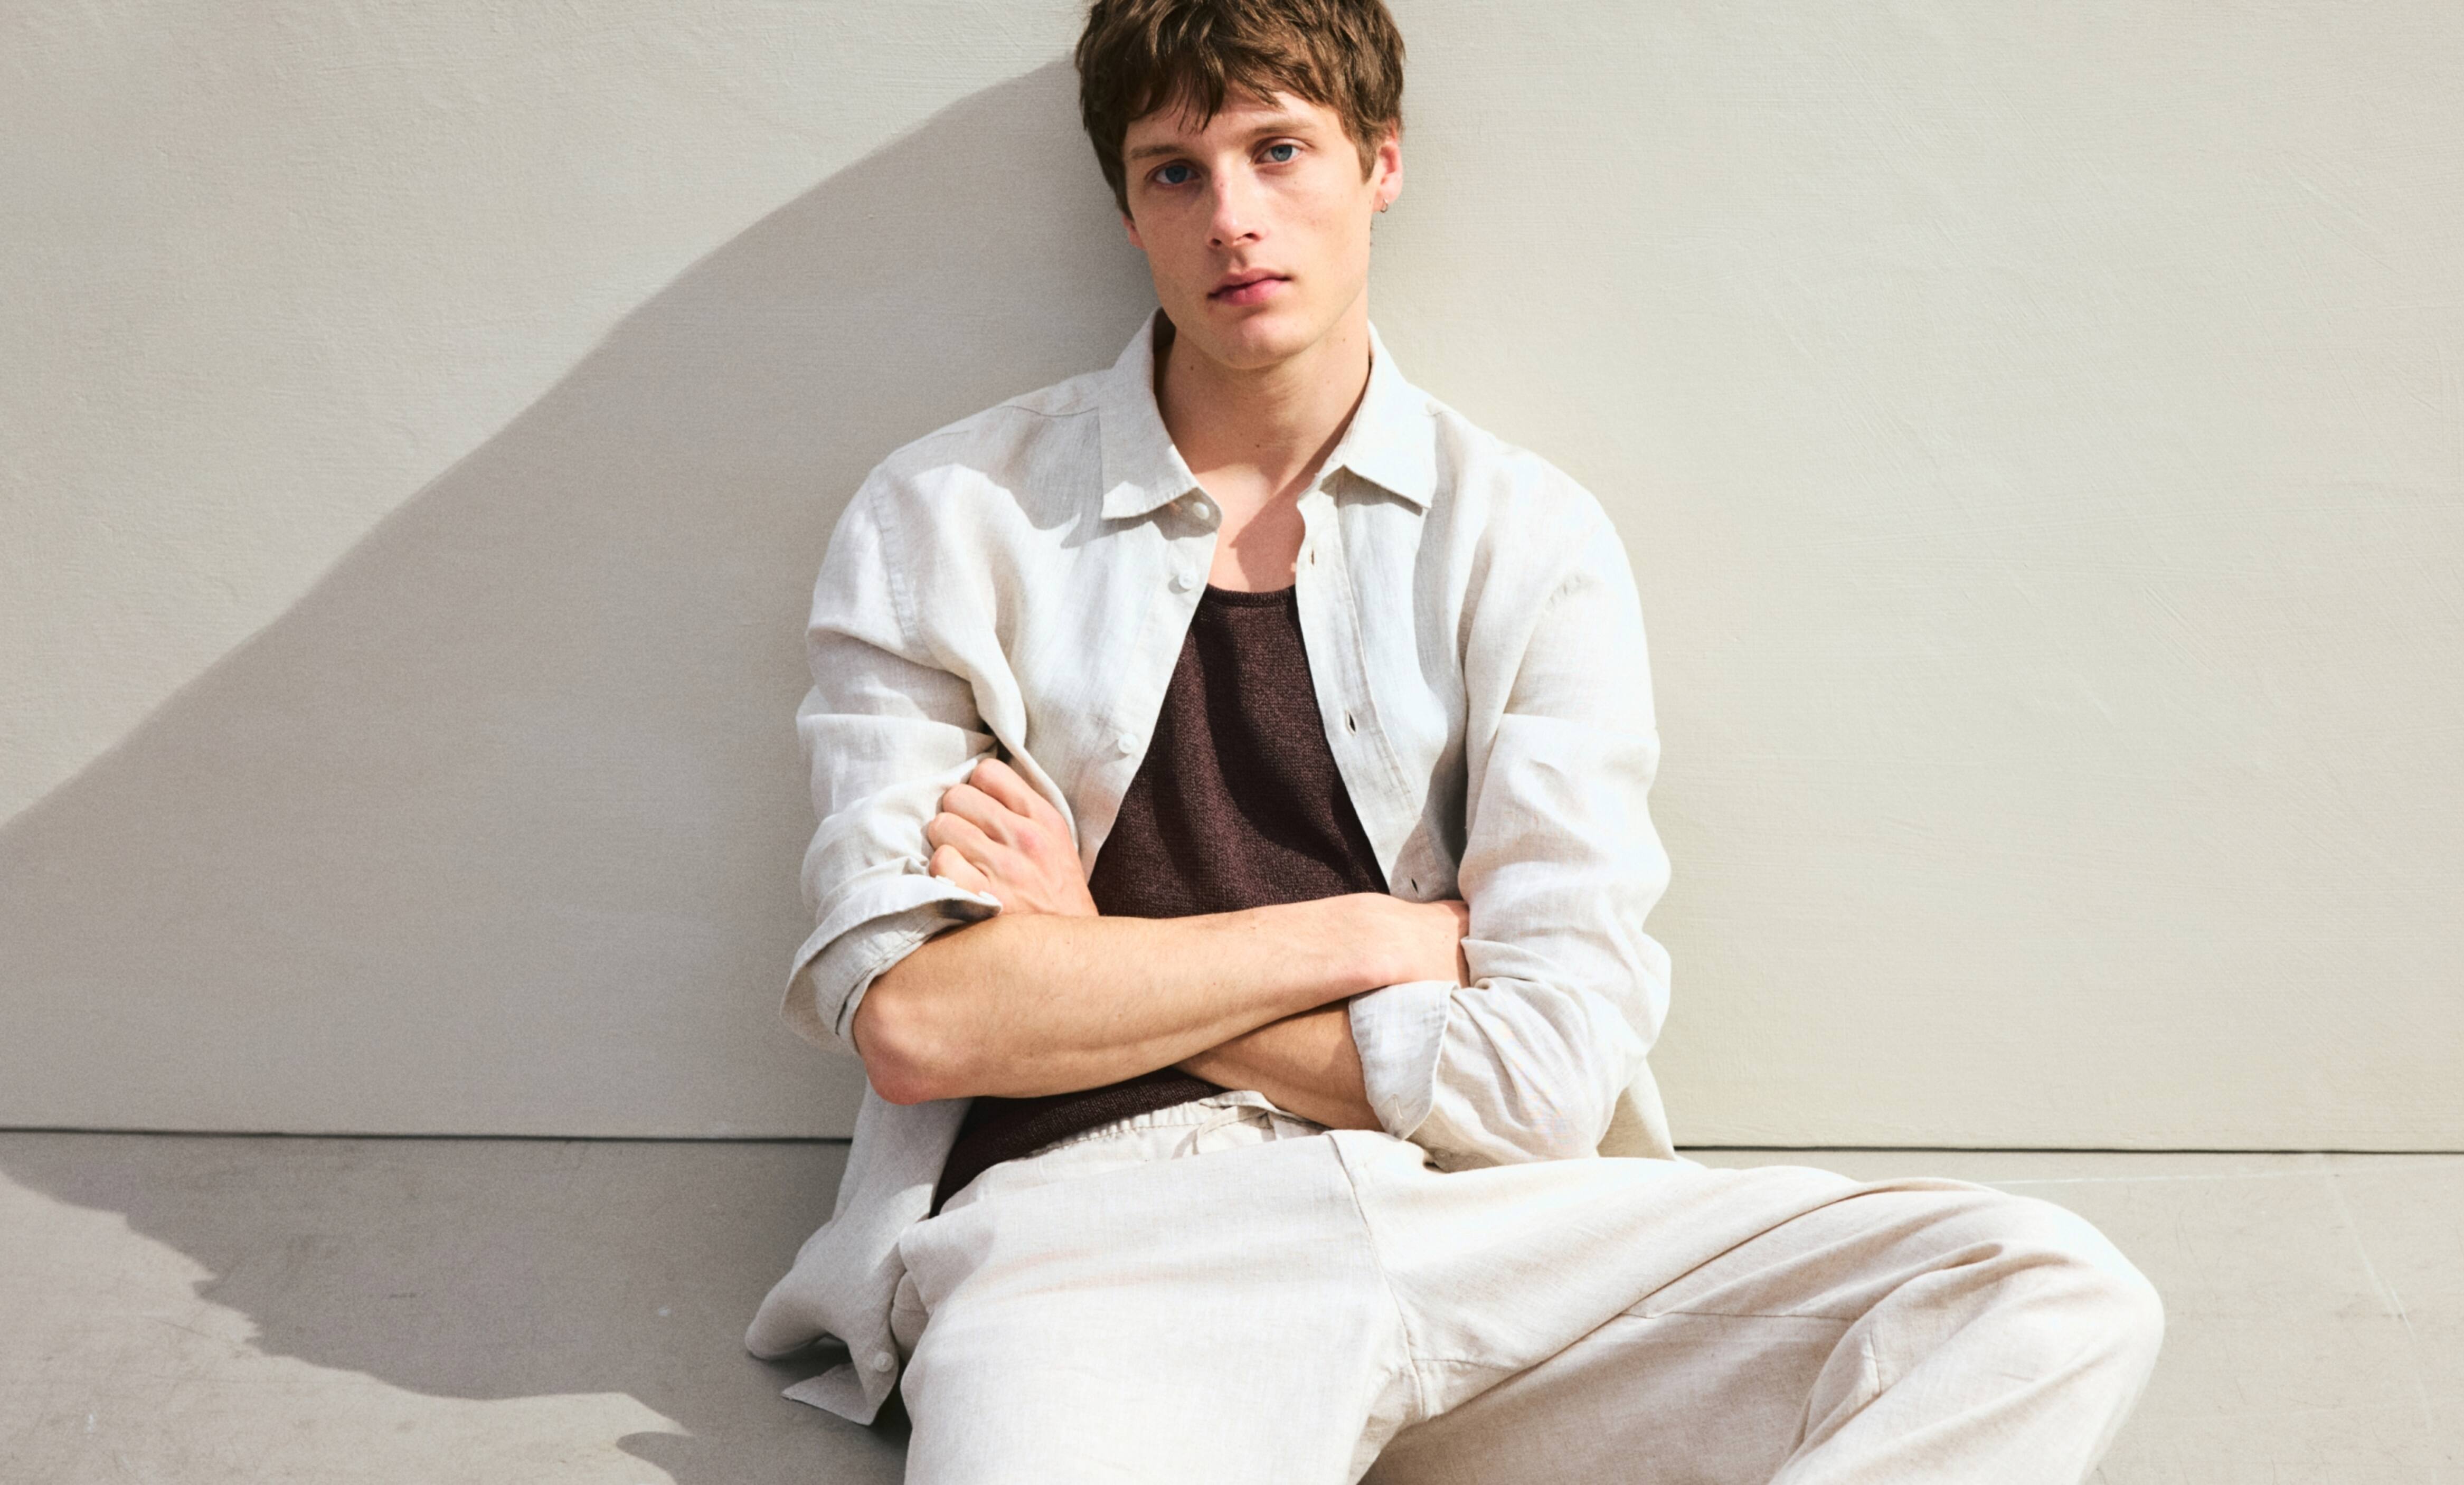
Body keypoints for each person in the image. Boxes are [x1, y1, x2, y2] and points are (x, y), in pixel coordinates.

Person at [747, 1, 2164, 1478]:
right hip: (1097, 1238)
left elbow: (1547, 1075)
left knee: (2038, 1295)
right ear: (1127, 210)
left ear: (1381, 163)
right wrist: (1375, 936)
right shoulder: (950, 520)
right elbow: (921, 1023)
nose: (1232, 217)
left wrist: (1093, 957)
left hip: (1481, 1225)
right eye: (1175, 171)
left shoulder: (1525, 538)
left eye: (1279, 150)